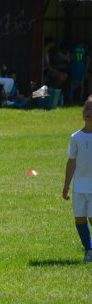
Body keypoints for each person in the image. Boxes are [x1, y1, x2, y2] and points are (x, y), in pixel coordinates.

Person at [62, 95, 92, 264]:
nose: (89, 112)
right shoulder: (76, 137)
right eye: (87, 108)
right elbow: (71, 162)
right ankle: (89, 249)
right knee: (80, 218)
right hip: (80, 186)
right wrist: (66, 186)